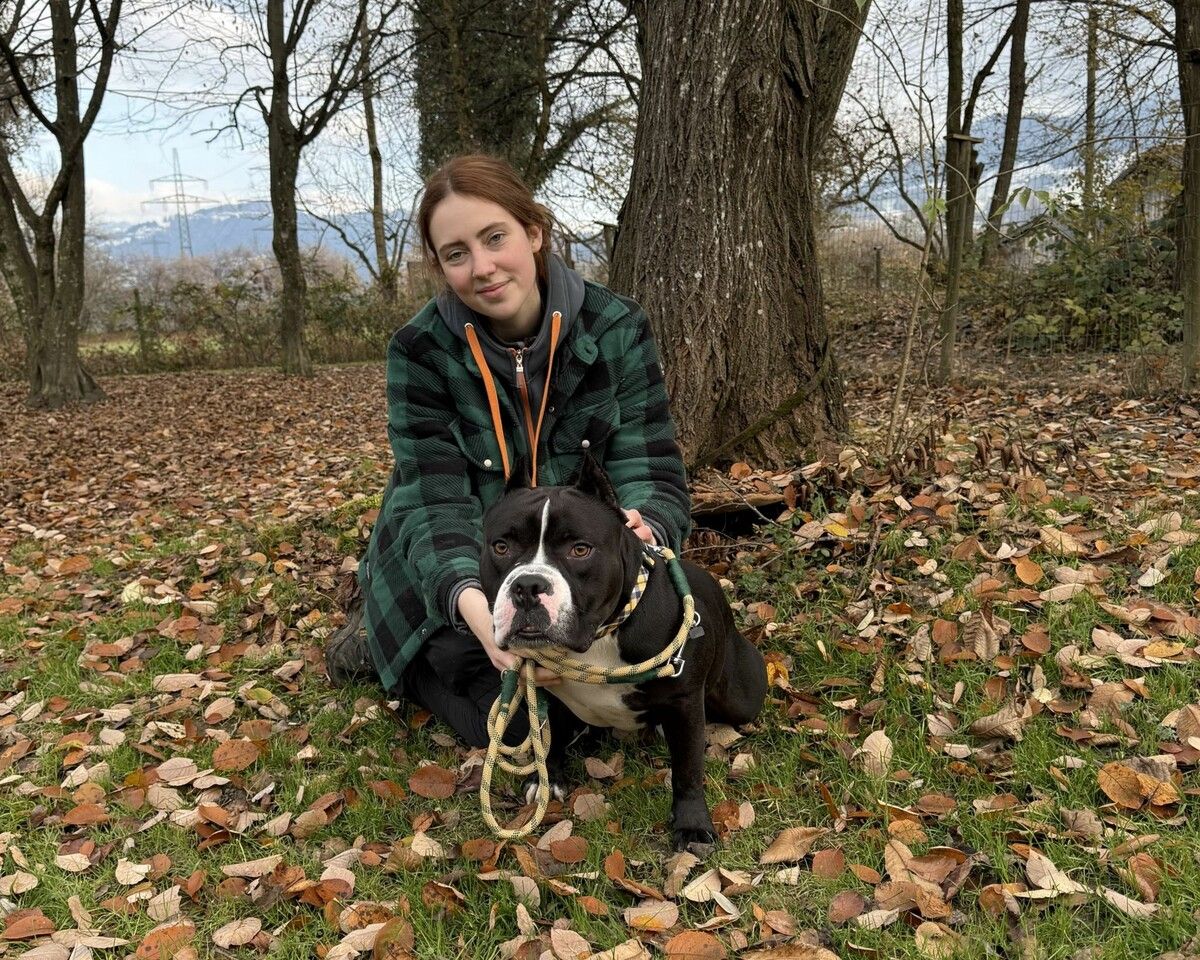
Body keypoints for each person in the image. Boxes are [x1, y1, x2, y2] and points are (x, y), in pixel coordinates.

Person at [325, 154, 691, 749]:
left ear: (534, 232)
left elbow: (651, 467)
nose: (483, 268)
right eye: (456, 253)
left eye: (495, 238)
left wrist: (641, 530)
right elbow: (433, 507)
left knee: (595, 713)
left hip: (570, 566)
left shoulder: (616, 326)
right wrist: (487, 625)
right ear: (441, 267)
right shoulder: (420, 351)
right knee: (528, 733)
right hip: (466, 571)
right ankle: (389, 647)